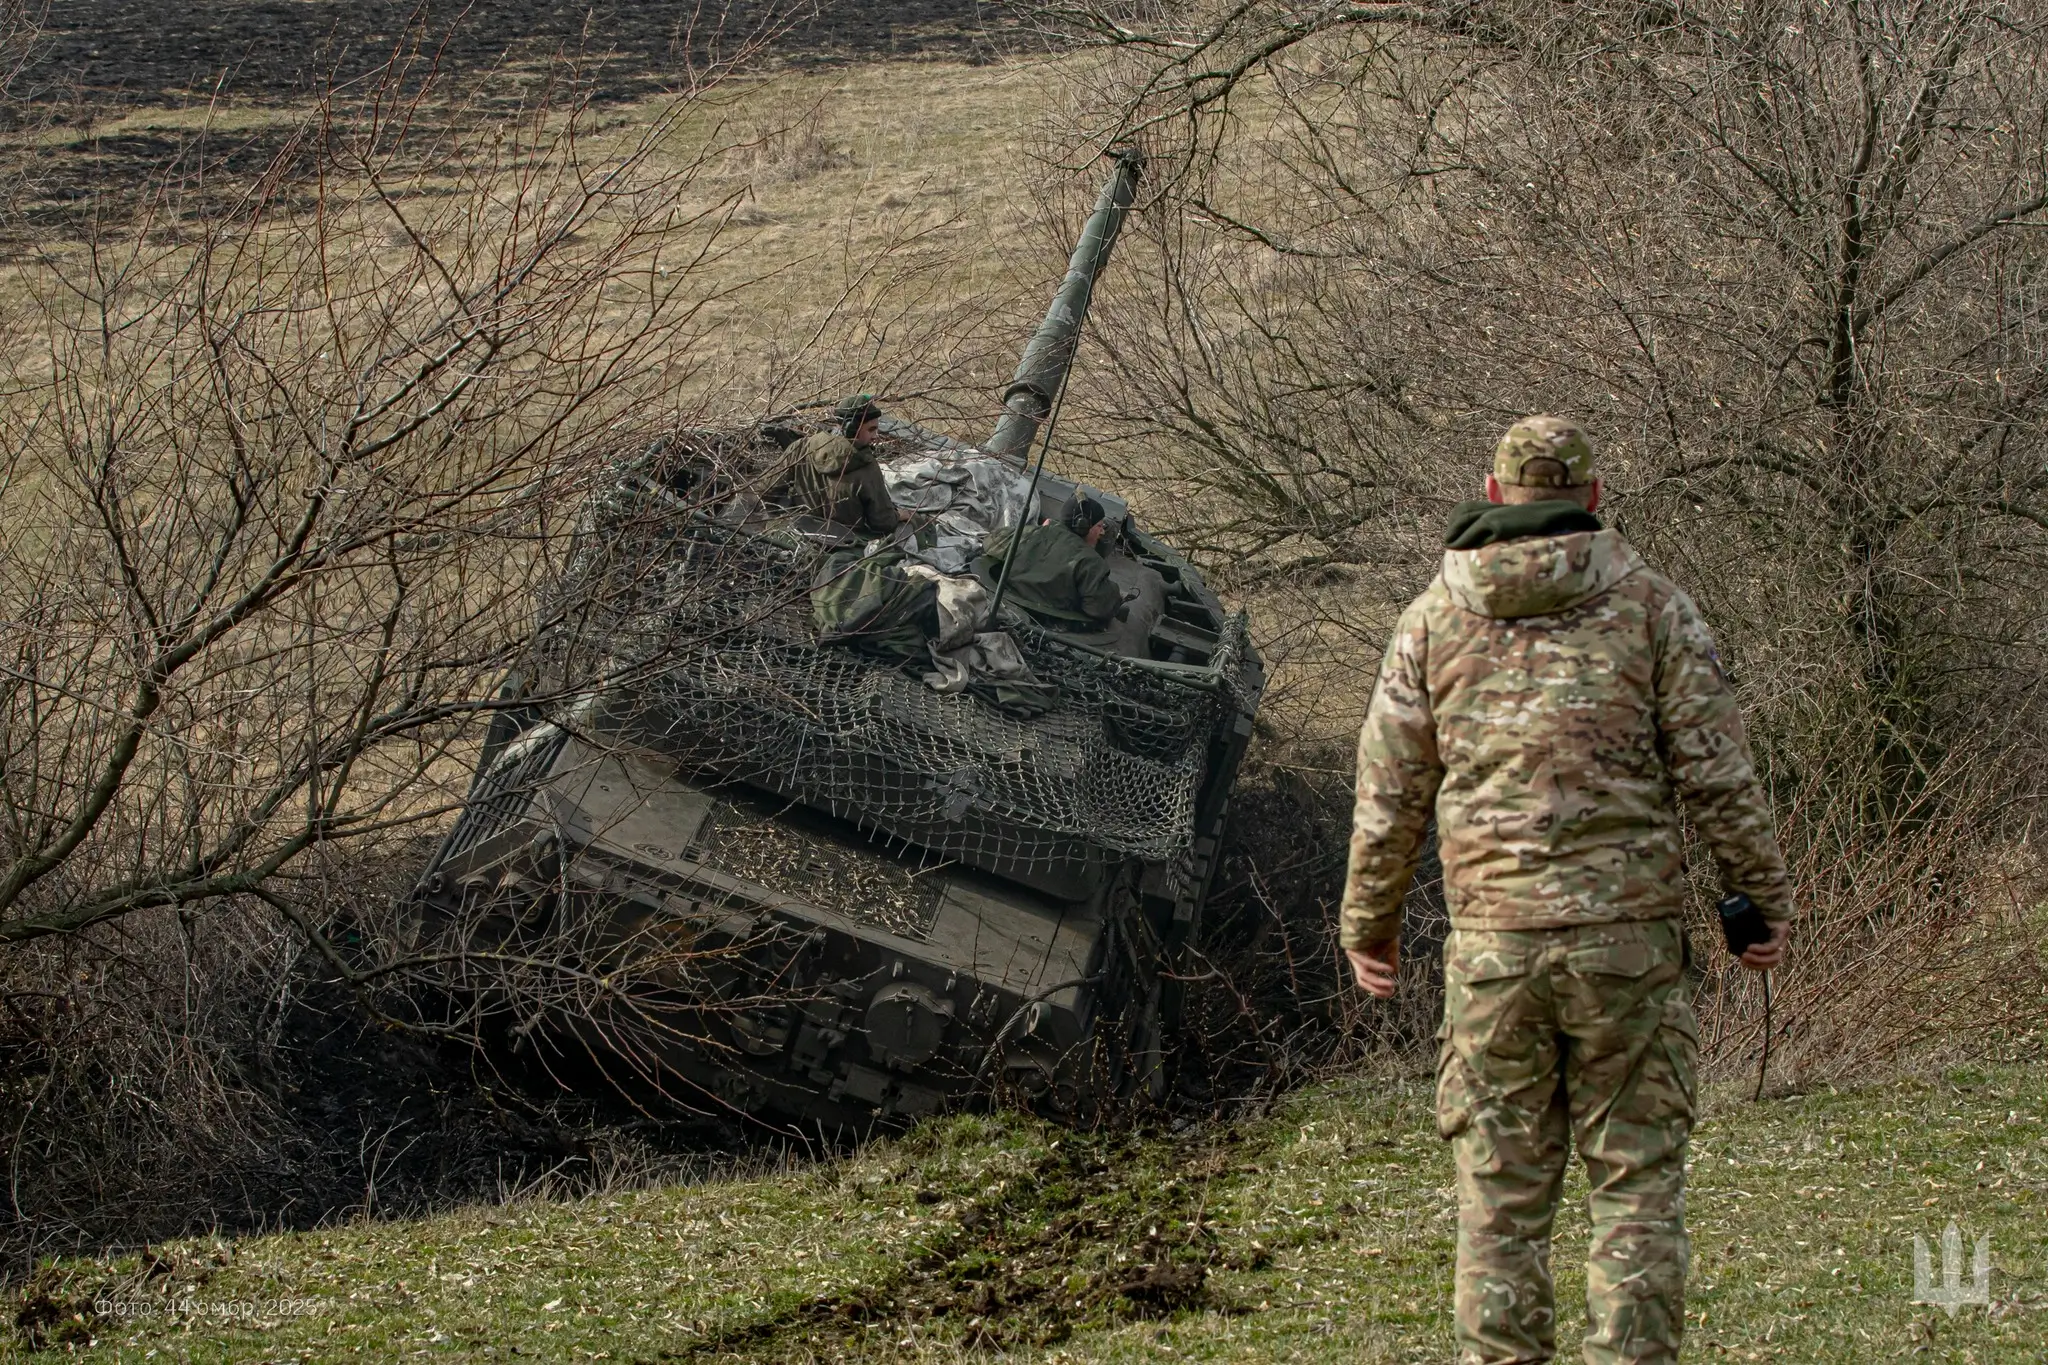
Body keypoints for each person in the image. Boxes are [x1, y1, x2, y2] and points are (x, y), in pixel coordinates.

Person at [1340, 415, 1794, 1365]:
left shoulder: (1430, 621)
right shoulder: (1653, 607)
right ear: (1590, 499)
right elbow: (1719, 774)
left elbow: (1388, 794)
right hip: (1628, 948)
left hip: (1496, 948)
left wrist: (1369, 924)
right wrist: (1754, 901)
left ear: (1498, 495)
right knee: (1635, 1187)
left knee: (1499, 1202)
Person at [982, 495, 1122, 631]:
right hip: (1047, 623)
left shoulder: (1030, 533)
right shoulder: (1091, 562)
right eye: (1099, 526)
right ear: (1083, 526)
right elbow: (1099, 608)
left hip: (1004, 604)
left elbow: (990, 543)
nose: (1102, 531)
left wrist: (1041, 532)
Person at [786, 394, 904, 539]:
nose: (875, 436)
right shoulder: (866, 467)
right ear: (852, 428)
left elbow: (766, 490)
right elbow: (883, 523)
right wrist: (899, 515)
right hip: (845, 543)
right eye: (871, 429)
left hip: (800, 534)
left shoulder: (799, 448)